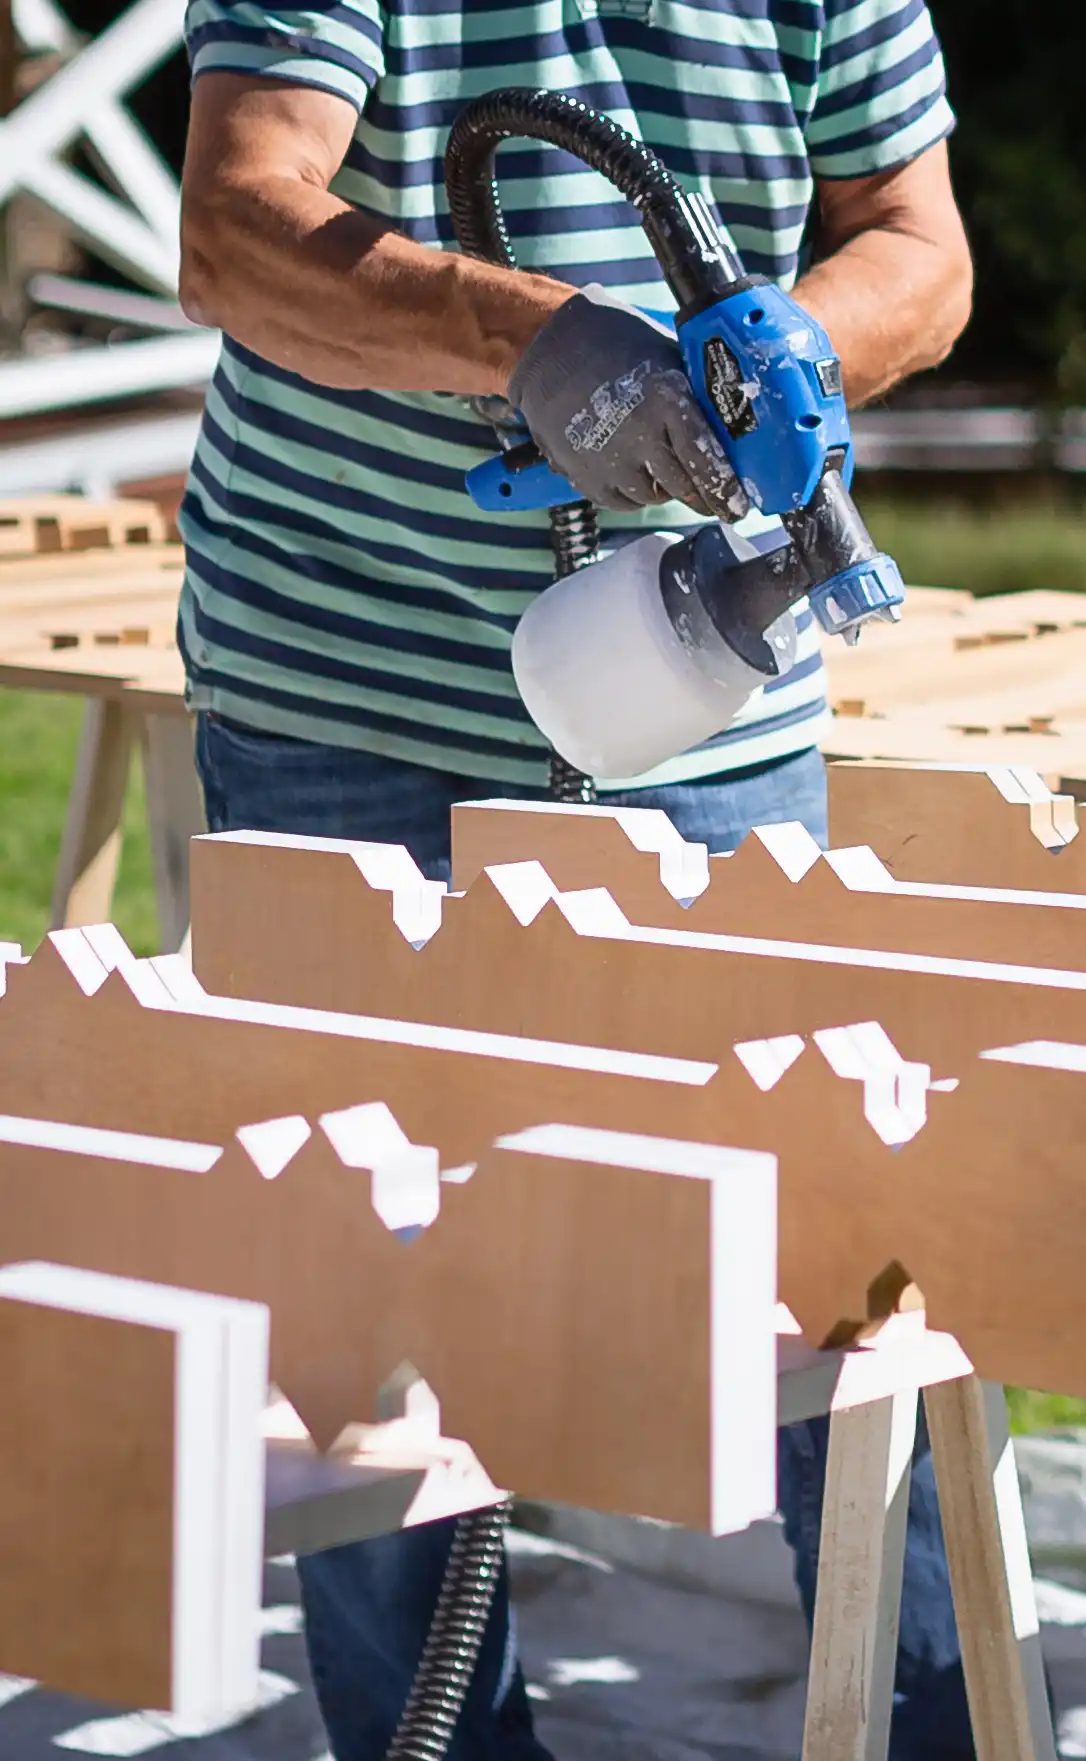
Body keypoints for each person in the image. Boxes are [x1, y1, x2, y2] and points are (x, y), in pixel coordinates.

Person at [172, 0, 975, 1755]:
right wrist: (531, 339)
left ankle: (927, 1722)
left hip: (694, 701)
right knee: (360, 1274)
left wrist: (780, 354)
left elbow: (917, 247)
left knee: (831, 1255)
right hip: (340, 684)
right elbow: (237, 227)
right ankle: (436, 1738)